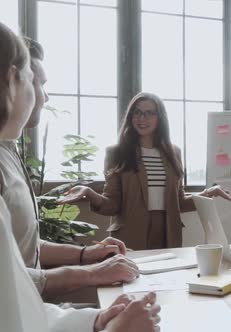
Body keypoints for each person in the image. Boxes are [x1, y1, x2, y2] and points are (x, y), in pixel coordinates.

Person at [0, 21, 160, 332]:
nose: (44, 97)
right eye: (34, 81)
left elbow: (20, 255)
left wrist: (94, 316)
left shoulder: (9, 150)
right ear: (11, 79)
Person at [60, 92, 231, 250]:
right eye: (137, 112)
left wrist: (208, 193)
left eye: (149, 113)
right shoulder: (117, 152)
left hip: (168, 233)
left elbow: (178, 203)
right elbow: (113, 205)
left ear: (159, 117)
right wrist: (89, 193)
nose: (142, 118)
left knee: (167, 284)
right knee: (133, 284)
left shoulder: (174, 152)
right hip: (131, 234)